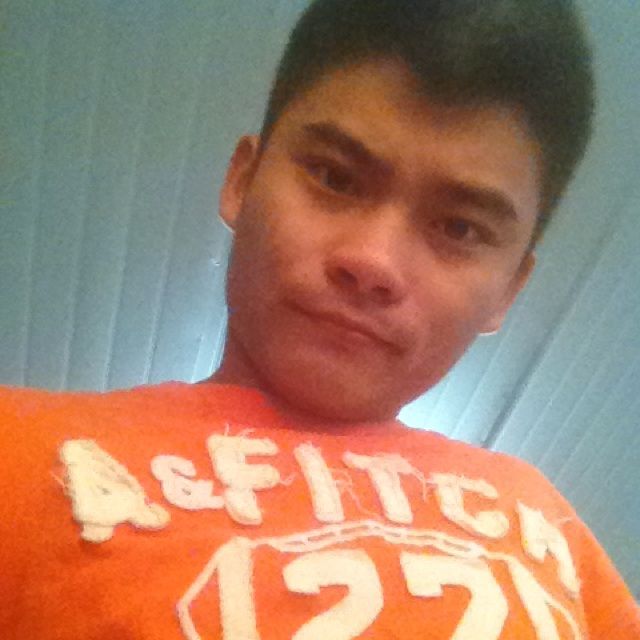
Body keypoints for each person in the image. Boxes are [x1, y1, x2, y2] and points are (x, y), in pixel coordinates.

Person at [1, 0, 638, 638]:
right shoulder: (19, 448)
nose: (373, 261)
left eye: (459, 228)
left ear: (509, 290)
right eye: (334, 177)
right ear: (243, 180)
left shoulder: (545, 520)